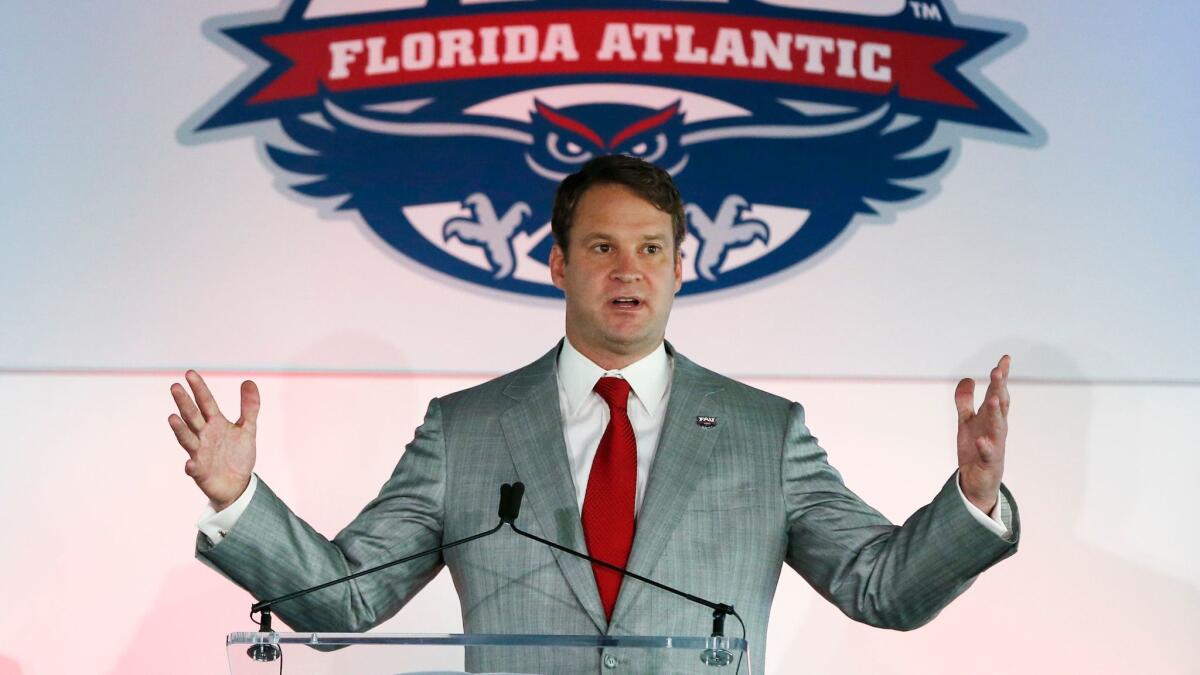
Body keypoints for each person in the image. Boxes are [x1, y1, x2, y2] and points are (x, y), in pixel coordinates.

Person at [169, 155, 1018, 674]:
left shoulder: (766, 433)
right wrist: (239, 500)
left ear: (682, 269)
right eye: (603, 247)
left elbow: (881, 588)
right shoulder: (463, 430)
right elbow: (344, 602)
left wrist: (972, 499)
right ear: (557, 265)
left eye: (652, 249)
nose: (629, 270)